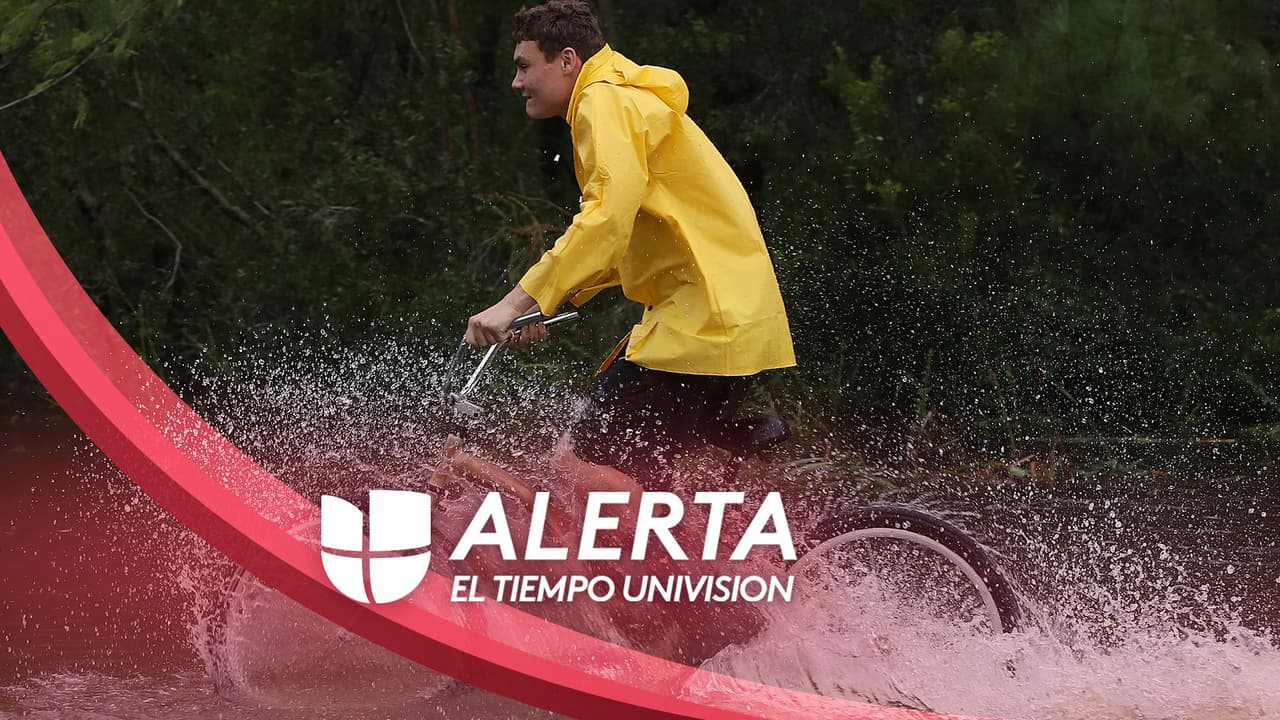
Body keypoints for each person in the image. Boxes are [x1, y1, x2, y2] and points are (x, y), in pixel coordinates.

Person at [465, 0, 796, 503]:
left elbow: (604, 221)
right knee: (628, 471)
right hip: (728, 321)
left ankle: (668, 554)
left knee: (577, 466)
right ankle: (701, 546)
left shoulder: (603, 102)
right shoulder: (623, 97)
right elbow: (622, 241)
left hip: (700, 325)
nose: (517, 82)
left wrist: (513, 303)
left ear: (568, 60)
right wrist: (547, 304)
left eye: (524, 66)